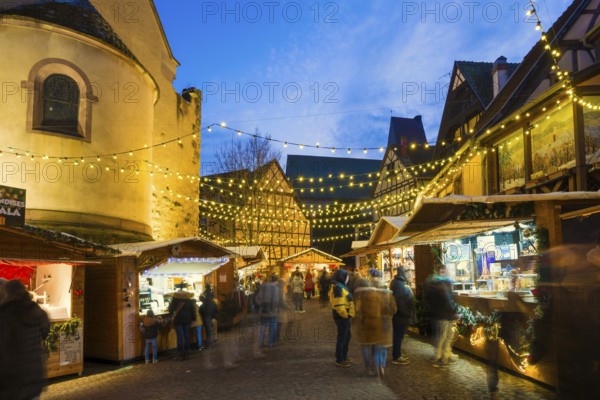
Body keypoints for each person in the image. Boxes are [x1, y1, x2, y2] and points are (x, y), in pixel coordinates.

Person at [0, 279, 50, 400]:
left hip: (12, 383)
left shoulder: (5, 316)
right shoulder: (38, 312)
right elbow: (44, 332)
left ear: (8, 294)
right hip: (34, 378)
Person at [354, 269, 396, 377]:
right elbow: (393, 309)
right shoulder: (386, 294)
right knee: (380, 346)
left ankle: (368, 366)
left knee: (366, 346)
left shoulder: (364, 294)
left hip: (366, 324)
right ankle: (380, 365)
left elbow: (358, 310)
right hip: (383, 323)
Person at [424, 267, 459, 368]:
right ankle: (441, 358)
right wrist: (454, 311)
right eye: (443, 271)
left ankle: (443, 355)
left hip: (439, 314)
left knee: (444, 336)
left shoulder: (434, 283)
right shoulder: (442, 284)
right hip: (444, 314)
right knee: (445, 337)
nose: (446, 273)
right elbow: (447, 300)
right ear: (440, 273)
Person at [329, 268, 355, 367]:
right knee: (343, 337)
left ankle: (343, 356)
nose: (348, 278)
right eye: (346, 276)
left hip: (344, 316)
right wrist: (345, 315)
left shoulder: (340, 286)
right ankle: (340, 359)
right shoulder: (338, 287)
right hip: (342, 317)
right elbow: (339, 305)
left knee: (346, 336)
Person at [389, 266, 415, 365]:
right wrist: (407, 314)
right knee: (398, 336)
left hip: (399, 315)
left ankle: (398, 353)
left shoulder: (398, 282)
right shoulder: (399, 284)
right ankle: (396, 356)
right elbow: (400, 302)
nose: (410, 273)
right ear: (403, 273)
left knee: (399, 336)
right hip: (400, 315)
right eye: (408, 272)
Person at [169, 283, 196, 360]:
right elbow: (193, 310)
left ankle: (180, 352)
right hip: (187, 320)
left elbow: (170, 310)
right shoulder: (189, 300)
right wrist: (193, 319)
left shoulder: (175, 300)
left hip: (178, 320)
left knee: (180, 336)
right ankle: (187, 351)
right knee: (187, 335)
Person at [256, 274, 280, 348]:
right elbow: (276, 299)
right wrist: (275, 308)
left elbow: (258, 298)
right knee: (272, 326)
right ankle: (270, 342)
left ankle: (260, 342)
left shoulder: (262, 287)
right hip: (272, 310)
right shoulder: (274, 287)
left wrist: (261, 305)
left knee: (263, 326)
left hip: (263, 309)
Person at [199, 284, 219, 349]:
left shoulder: (204, 299)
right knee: (210, 331)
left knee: (209, 331)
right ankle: (209, 344)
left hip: (205, 317)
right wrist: (215, 317)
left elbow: (200, 310)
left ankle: (209, 344)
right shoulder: (212, 301)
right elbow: (216, 311)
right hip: (211, 317)